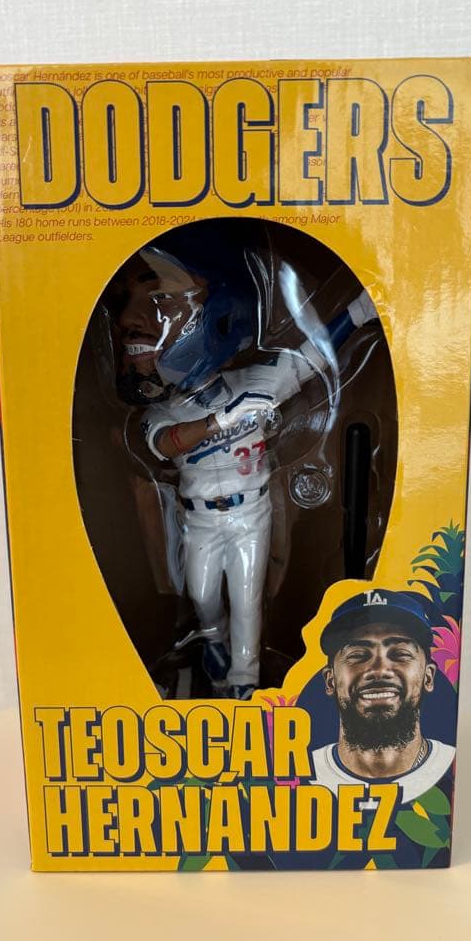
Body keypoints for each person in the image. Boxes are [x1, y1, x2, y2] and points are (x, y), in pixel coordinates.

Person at [109, 239, 377, 698]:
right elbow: (166, 444)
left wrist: (358, 311)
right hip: (200, 519)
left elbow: (312, 357)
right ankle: (212, 639)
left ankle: (244, 680)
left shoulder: (254, 381)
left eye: (160, 299)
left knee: (248, 598)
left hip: (250, 512)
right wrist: (224, 419)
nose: (127, 321)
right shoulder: (164, 412)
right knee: (202, 594)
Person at [312, 588, 455, 801]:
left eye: (400, 654)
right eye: (358, 655)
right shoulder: (300, 774)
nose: (379, 670)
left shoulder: (457, 769)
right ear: (330, 680)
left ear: (428, 676)